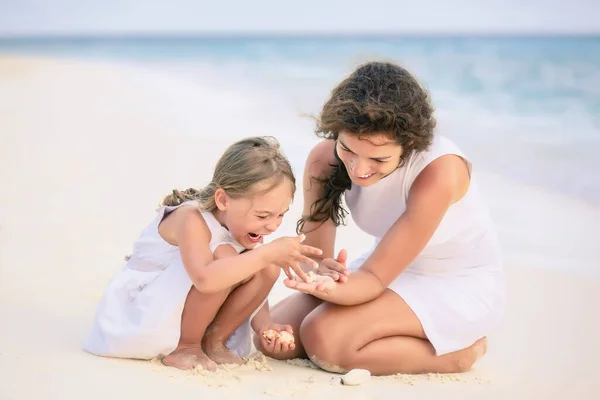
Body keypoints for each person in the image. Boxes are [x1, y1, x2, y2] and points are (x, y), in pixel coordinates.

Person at [255, 61, 506, 376]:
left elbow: (373, 279)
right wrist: (319, 273)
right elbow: (316, 257)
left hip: (455, 283)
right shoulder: (324, 159)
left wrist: (334, 291)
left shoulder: (440, 171)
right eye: (348, 150)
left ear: (409, 144)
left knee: (324, 338)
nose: (359, 170)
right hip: (385, 268)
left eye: (379, 158)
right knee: (276, 337)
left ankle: (458, 355)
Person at [83, 136, 322, 371]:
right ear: (222, 200)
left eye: (280, 215)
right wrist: (268, 252)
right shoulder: (190, 218)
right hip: (140, 311)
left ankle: (214, 342)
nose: (272, 226)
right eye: (262, 216)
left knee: (265, 265)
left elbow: (251, 272)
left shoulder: (242, 225)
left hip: (181, 308)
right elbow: (205, 279)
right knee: (231, 258)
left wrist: (265, 326)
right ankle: (186, 347)